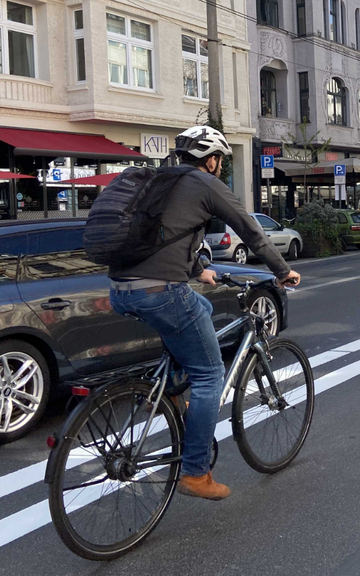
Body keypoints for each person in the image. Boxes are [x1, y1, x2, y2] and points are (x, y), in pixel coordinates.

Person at [108, 125, 301, 501]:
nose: (220, 165)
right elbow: (250, 230)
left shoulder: (160, 180)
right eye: (220, 159)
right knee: (211, 374)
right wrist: (282, 271)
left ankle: (172, 389)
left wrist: (198, 269)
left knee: (202, 308)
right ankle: (196, 473)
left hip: (120, 289)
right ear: (210, 160)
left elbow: (163, 235)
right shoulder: (205, 183)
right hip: (161, 290)